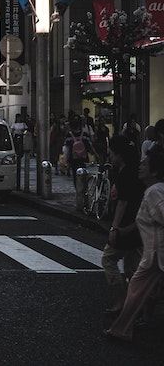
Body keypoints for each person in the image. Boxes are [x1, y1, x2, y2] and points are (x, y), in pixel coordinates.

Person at [104, 144, 164, 342]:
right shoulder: (153, 190)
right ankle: (123, 328)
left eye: (145, 165)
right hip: (154, 255)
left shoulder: (154, 192)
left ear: (154, 171)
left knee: (135, 290)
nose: (140, 167)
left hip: (156, 254)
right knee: (139, 290)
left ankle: (121, 329)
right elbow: (143, 221)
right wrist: (121, 230)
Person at [101, 135, 144, 315]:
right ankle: (137, 305)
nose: (110, 157)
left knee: (108, 259)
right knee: (132, 268)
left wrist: (114, 228)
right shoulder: (137, 171)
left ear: (120, 155)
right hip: (137, 227)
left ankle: (122, 300)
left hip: (126, 227)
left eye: (112, 154)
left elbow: (123, 203)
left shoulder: (126, 174)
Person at [63, 115, 95, 186]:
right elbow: (90, 145)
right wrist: (94, 154)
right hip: (83, 157)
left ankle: (77, 188)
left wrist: (66, 160)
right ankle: (84, 187)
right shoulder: (84, 135)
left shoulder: (69, 135)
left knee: (75, 174)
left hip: (73, 158)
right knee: (84, 173)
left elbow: (66, 149)